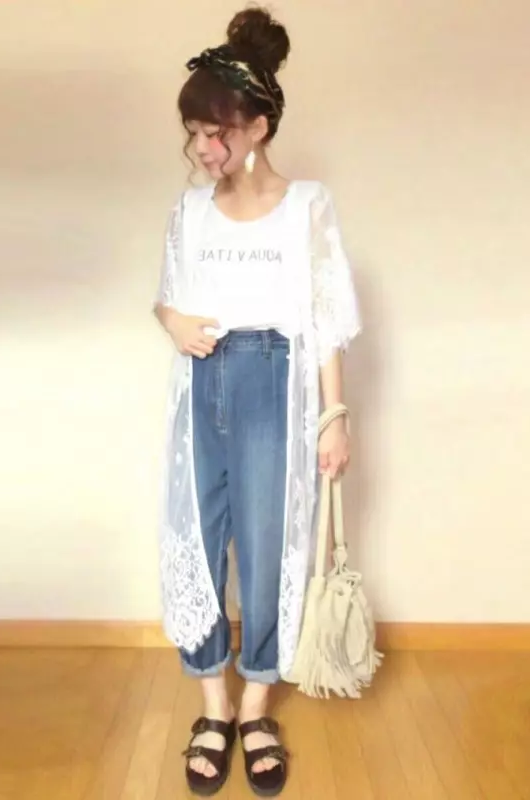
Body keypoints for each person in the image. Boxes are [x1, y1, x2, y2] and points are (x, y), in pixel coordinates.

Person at [153, 6, 361, 796]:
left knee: (269, 547)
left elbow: (327, 319)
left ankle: (255, 707)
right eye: (195, 134)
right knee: (199, 540)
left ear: (259, 126)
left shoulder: (309, 205)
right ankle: (212, 703)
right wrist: (173, 322)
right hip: (200, 382)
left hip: (273, 380)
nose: (205, 149)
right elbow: (168, 298)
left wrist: (334, 418)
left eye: (218, 132)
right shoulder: (189, 209)